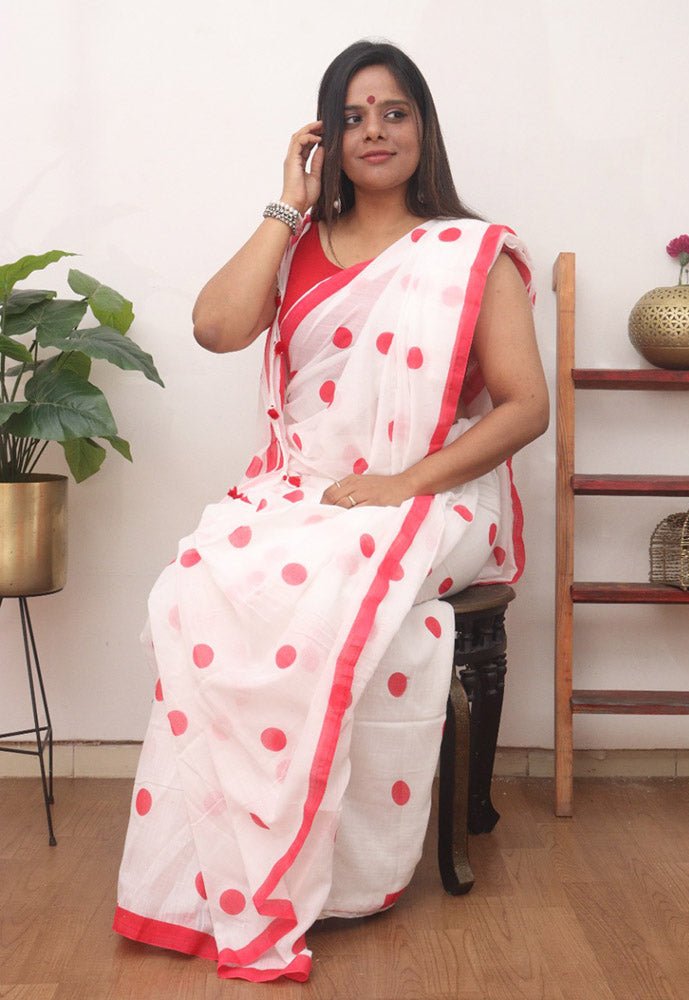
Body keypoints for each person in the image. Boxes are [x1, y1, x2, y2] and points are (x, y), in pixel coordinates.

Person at [113, 39, 548, 984]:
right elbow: (215, 328)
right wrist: (287, 206)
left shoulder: (472, 253)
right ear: (325, 141)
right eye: (351, 117)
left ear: (423, 127)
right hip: (305, 488)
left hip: (435, 491)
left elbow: (525, 407)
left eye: (393, 112)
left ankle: (335, 877)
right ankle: (221, 863)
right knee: (201, 581)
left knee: (330, 580)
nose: (374, 131)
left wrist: (405, 483)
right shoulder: (301, 242)